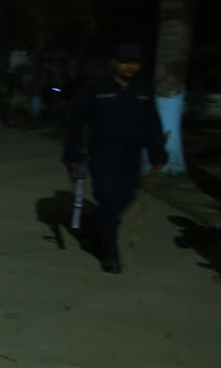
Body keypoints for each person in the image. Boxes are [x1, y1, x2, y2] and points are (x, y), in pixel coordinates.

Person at [63, 43, 167, 273]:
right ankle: (109, 250)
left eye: (134, 62)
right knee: (108, 199)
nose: (129, 66)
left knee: (127, 197)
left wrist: (158, 153)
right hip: (103, 155)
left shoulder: (143, 89)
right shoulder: (96, 89)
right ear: (113, 62)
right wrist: (72, 153)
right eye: (124, 61)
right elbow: (75, 122)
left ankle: (101, 227)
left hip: (132, 156)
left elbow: (152, 124)